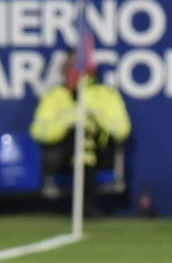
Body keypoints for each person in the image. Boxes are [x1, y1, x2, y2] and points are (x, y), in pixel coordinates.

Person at [29, 49, 131, 215]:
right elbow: (38, 131)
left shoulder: (106, 94)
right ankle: (86, 206)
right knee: (77, 135)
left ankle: (85, 206)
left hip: (100, 154)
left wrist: (94, 117)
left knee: (84, 137)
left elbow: (122, 130)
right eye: (69, 66)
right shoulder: (55, 95)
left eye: (77, 66)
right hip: (62, 156)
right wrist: (67, 121)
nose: (72, 70)